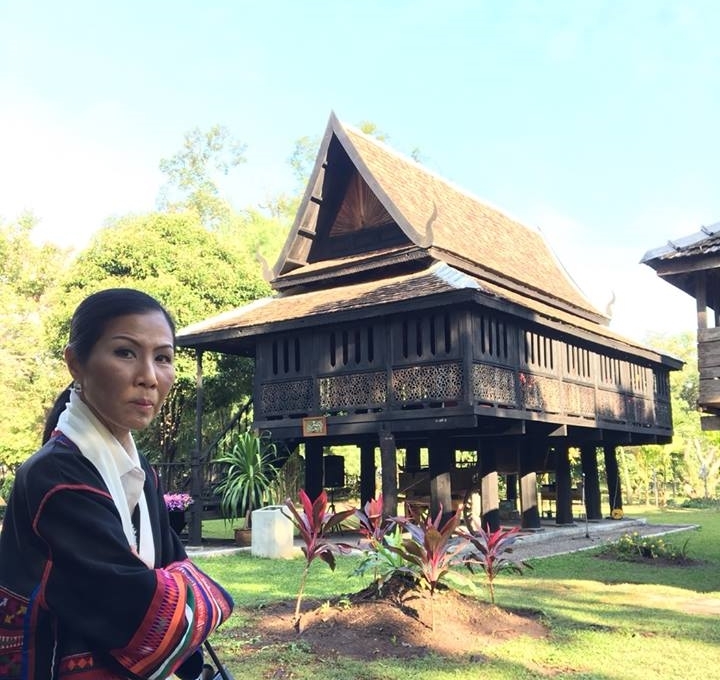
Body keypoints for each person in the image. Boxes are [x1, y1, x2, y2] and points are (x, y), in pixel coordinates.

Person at [0, 288, 234, 680]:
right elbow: (144, 616)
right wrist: (200, 595)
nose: (148, 377)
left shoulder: (139, 470)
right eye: (126, 352)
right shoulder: (56, 477)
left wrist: (176, 589)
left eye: (162, 358)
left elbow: (171, 567)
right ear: (77, 363)